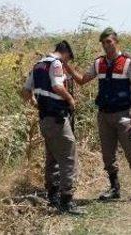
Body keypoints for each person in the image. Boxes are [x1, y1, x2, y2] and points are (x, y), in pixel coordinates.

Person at [64, 27, 131, 202]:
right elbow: (82, 81)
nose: (106, 45)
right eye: (103, 42)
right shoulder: (98, 63)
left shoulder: (129, 63)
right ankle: (114, 188)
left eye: (109, 41)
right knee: (107, 155)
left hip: (123, 115)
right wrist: (66, 67)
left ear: (116, 42)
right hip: (104, 115)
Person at [21, 40, 84, 215]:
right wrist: (70, 99)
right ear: (65, 53)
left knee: (52, 157)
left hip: (44, 119)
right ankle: (66, 200)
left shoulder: (38, 65)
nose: (66, 63)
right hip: (57, 118)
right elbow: (57, 86)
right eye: (68, 60)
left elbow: (26, 92)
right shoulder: (56, 63)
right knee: (68, 157)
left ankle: (52, 195)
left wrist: (37, 103)